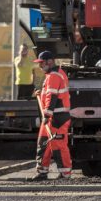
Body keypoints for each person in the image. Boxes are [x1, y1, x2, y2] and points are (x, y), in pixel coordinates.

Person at [28, 51, 71, 181]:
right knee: (43, 143)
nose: (40, 66)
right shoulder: (54, 74)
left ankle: (65, 174)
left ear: (50, 62)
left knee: (58, 144)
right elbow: (50, 94)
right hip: (53, 115)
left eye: (42, 63)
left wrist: (47, 114)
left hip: (57, 116)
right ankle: (42, 171)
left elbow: (51, 97)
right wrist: (41, 92)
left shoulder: (54, 76)